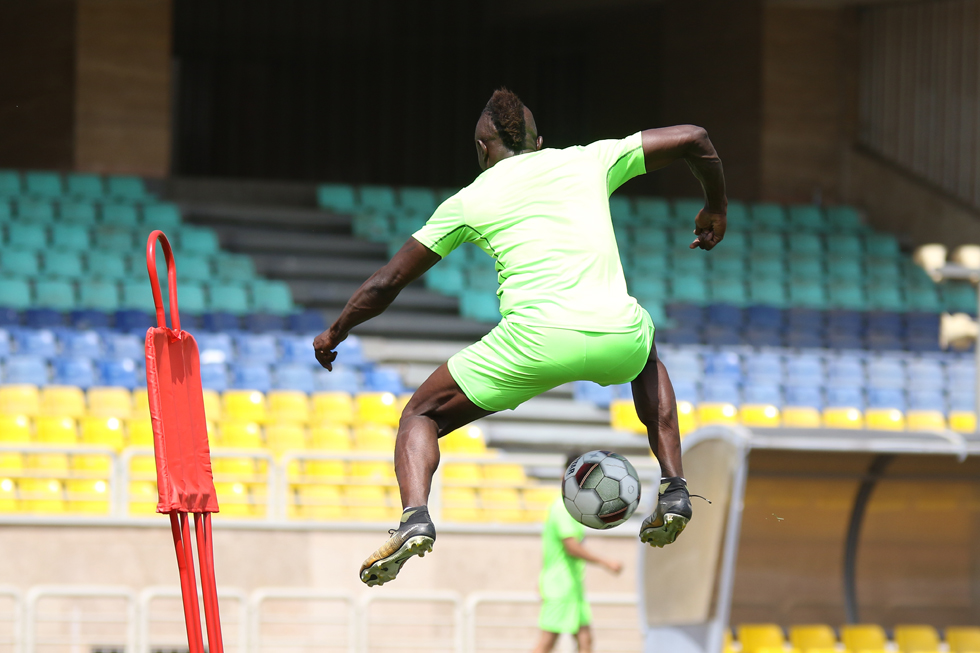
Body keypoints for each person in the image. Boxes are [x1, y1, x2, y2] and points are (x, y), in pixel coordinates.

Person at [313, 88, 727, 587]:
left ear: (482, 149)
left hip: (532, 344)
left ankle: (415, 516)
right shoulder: (587, 159)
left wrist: (335, 332)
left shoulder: (469, 199)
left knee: (420, 414)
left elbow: (388, 282)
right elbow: (695, 140)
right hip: (613, 333)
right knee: (645, 353)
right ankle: (674, 485)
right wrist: (714, 208)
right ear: (541, 142)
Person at [532, 454, 623, 653]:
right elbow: (571, 547)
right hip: (560, 587)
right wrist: (605, 561)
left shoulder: (573, 507)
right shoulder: (562, 507)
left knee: (585, 640)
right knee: (547, 642)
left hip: (572, 587)